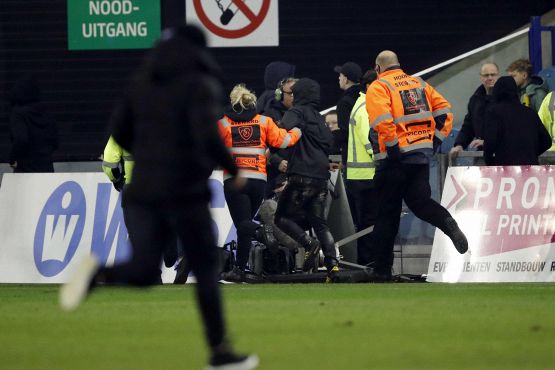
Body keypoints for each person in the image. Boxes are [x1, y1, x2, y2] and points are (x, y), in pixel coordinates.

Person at [59, 25, 259, 370]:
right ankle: (220, 352)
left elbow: (119, 132)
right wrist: (232, 167)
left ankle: (96, 275)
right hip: (185, 189)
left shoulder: (140, 84)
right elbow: (206, 134)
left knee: (143, 270)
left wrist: (151, 151)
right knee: (207, 269)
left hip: (143, 190)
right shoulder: (199, 84)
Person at [366, 50, 468, 281]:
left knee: (386, 215)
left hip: (394, 160)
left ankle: (381, 271)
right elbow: (445, 111)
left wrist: (393, 148)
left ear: (378, 68)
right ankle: (447, 223)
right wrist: (434, 142)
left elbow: (383, 120)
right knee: (420, 203)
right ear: (399, 64)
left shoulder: (379, 86)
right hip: (419, 158)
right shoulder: (418, 83)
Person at [217, 84, 302, 281]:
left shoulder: (222, 124)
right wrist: (299, 129)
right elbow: (284, 141)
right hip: (258, 181)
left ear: (232, 102)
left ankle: (261, 232)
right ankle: (239, 270)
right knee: (243, 225)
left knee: (244, 224)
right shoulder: (264, 121)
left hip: (235, 181)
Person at [274, 77, 340, 282]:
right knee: (320, 223)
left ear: (301, 95)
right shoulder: (319, 118)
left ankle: (309, 244)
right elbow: (329, 142)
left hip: (301, 176)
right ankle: (332, 265)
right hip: (321, 178)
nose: (291, 96)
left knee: (281, 218)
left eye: (294, 93)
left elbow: (283, 130)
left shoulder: (297, 111)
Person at [345, 70, 378, 266]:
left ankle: (368, 264)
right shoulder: (366, 108)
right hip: (367, 175)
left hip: (360, 175)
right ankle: (370, 265)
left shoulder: (361, 105)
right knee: (369, 225)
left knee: (366, 224)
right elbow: (370, 142)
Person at [483, 76, 551, 165]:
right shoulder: (530, 113)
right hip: (529, 170)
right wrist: (531, 154)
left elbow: (490, 143)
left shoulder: (493, 112)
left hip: (505, 170)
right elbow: (546, 142)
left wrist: (491, 163)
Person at [449, 62, 500, 160]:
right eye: (486, 75)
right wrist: (459, 145)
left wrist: (487, 142)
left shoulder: (506, 98)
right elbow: (468, 127)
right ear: (481, 78)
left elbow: (510, 130)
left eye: (493, 74)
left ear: (498, 76)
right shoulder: (475, 100)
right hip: (482, 155)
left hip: (503, 155)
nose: (490, 78)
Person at [8, 75, 58, 173]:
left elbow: (20, 139)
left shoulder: (18, 113)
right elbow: (55, 141)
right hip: (46, 170)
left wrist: (12, 159)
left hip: (25, 170)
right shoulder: (46, 113)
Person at [334, 61, 362, 166]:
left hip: (353, 158)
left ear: (346, 79)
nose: (339, 78)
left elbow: (346, 132)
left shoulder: (344, 102)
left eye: (340, 76)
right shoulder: (367, 96)